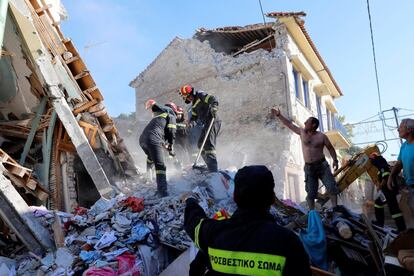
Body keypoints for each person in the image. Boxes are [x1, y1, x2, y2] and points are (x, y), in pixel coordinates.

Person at [183, 165, 311, 276]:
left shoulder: (214, 233)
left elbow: (194, 222)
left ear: (234, 197)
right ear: (272, 199)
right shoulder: (288, 242)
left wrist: (190, 200)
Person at [271, 107, 339, 210]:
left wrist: (335, 160)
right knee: (311, 193)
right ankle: (312, 213)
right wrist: (279, 115)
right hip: (309, 168)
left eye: (307, 122)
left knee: (331, 187)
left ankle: (335, 209)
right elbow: (289, 124)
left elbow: (330, 148)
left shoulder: (322, 136)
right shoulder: (302, 132)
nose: (304, 123)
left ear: (313, 125)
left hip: (322, 166)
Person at [179, 84, 221, 172]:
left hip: (213, 120)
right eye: (187, 98)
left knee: (209, 144)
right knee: (200, 144)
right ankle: (209, 165)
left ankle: (214, 170)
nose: (188, 99)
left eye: (188, 96)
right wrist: (190, 124)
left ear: (191, 93)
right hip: (206, 123)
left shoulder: (200, 95)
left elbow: (212, 99)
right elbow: (194, 118)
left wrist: (214, 107)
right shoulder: (194, 106)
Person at [139, 99, 176, 197]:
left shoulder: (157, 118)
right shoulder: (171, 116)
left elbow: (160, 135)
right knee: (160, 166)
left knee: (151, 157)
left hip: (142, 140)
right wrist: (171, 146)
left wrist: (166, 145)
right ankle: (162, 192)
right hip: (153, 140)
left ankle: (149, 178)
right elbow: (171, 132)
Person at [369, 152, 406, 231]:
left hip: (388, 192)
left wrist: (380, 186)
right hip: (387, 191)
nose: (372, 163)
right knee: (379, 203)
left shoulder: (383, 166)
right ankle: (380, 222)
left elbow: (385, 177)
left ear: (375, 159)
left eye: (372, 160)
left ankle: (401, 228)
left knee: (394, 209)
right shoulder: (382, 166)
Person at [387, 118, 414, 216]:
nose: (398, 129)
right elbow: (399, 164)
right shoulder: (404, 146)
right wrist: (390, 177)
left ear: (409, 130)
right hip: (410, 187)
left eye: (401, 127)